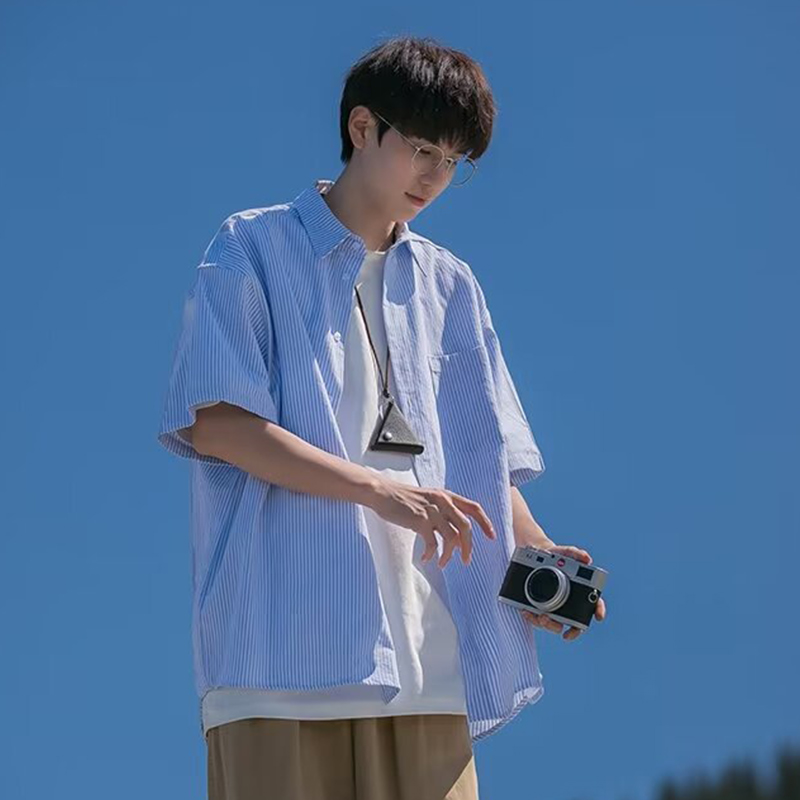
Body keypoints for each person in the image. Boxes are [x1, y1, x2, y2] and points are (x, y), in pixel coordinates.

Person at [157, 34, 606, 800]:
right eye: (423, 149)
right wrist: (382, 492)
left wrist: (534, 551)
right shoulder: (252, 247)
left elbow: (483, 458)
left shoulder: (450, 286)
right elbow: (220, 425)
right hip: (282, 662)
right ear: (362, 127)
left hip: (431, 663)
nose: (435, 176)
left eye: (454, 161)